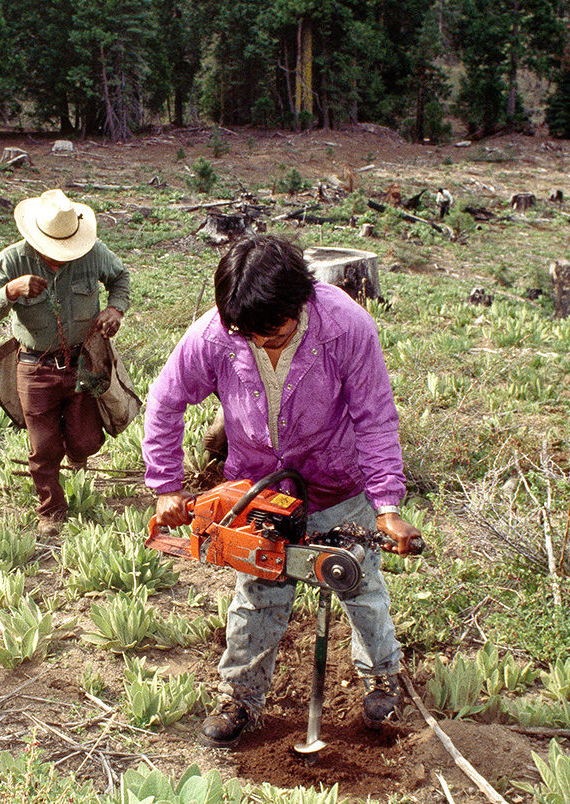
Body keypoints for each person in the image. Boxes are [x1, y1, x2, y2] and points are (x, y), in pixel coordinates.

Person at [142, 235, 420, 747]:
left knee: (360, 584)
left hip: (338, 481)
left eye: (272, 334)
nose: (260, 345)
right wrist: (165, 485)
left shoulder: (345, 326)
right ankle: (242, 698)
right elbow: (165, 401)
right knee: (257, 593)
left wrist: (386, 505)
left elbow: (376, 418)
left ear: (301, 301)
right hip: (260, 490)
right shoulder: (217, 334)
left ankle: (381, 677)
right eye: (248, 335)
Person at [0, 189, 131, 536]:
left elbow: (121, 277)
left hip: (86, 361)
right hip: (34, 367)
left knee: (86, 439)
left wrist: (115, 308)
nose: (60, 258)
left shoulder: (94, 254)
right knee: (43, 446)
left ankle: (78, 455)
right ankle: (50, 508)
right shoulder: (12, 260)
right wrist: (10, 292)